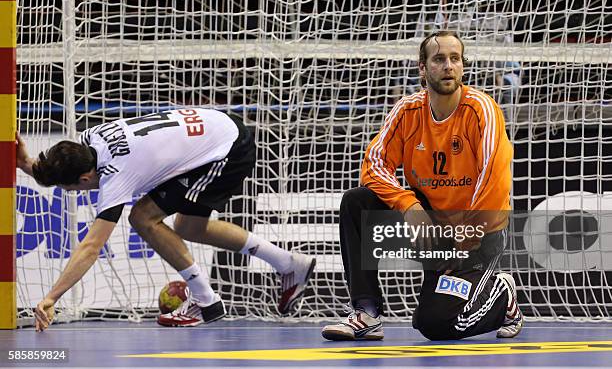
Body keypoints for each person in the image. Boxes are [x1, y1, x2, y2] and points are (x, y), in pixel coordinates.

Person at [16, 108, 316, 331]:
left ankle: (206, 301)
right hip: (213, 126)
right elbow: (69, 174)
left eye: (72, 188)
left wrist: (51, 297)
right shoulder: (88, 141)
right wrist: (27, 164)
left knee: (143, 218)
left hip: (226, 150)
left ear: (84, 178)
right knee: (188, 227)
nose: (75, 191)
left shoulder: (117, 174)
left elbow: (91, 248)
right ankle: (288, 263)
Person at [321, 31, 522, 341]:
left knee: (436, 324)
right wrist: (409, 205)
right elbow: (373, 165)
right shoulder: (407, 111)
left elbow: (493, 181)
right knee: (357, 202)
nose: (448, 66)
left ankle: (502, 296)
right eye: (439, 59)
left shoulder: (482, 109)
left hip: (478, 235)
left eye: (455, 59)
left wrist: (466, 238)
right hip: (430, 227)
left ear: (463, 66)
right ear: (422, 68)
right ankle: (367, 313)